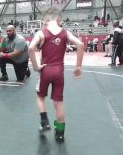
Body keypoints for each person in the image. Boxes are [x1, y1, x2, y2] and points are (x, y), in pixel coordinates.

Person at [28, 8, 84, 142]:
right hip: (59, 71)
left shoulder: (41, 33)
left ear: (45, 20)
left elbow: (30, 48)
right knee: (59, 102)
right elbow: (80, 44)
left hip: (45, 70)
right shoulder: (65, 32)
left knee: (40, 97)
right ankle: (60, 133)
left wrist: (36, 67)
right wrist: (78, 67)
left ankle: (44, 121)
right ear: (59, 20)